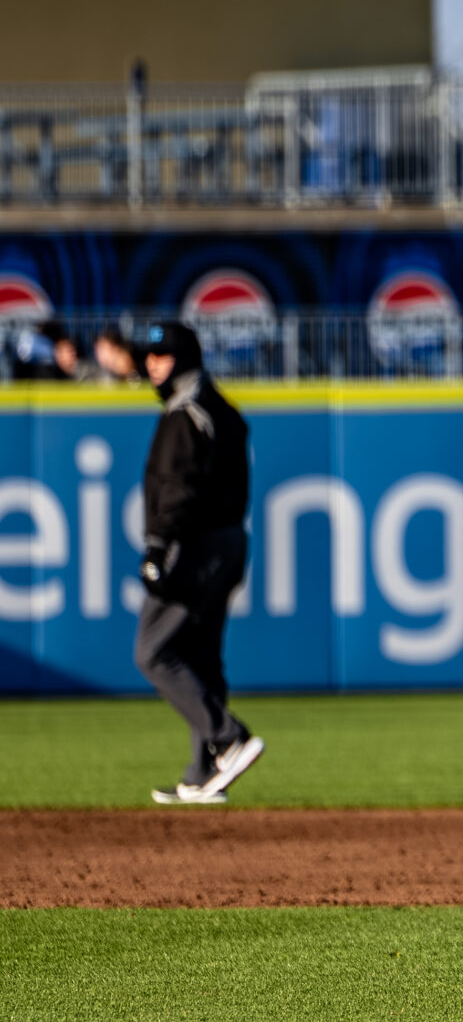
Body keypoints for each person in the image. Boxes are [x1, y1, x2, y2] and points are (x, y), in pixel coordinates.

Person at [133, 320, 264, 807]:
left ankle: (227, 738)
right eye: (148, 356)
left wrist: (156, 547)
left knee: (154, 651)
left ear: (184, 358)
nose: (152, 365)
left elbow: (179, 490)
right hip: (229, 540)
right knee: (200, 654)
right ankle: (203, 772)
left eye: (162, 356)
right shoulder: (222, 409)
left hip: (195, 544)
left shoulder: (187, 412)